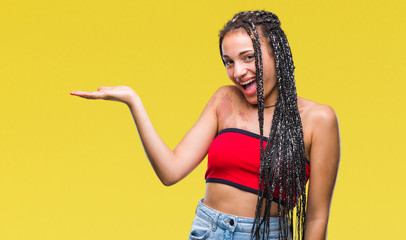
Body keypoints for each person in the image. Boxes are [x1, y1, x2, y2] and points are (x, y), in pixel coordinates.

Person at [70, 10, 340, 240]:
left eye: (248, 57)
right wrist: (133, 100)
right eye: (229, 62)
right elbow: (170, 171)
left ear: (277, 54)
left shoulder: (318, 120)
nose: (238, 72)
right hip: (209, 230)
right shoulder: (224, 100)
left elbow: (316, 216)